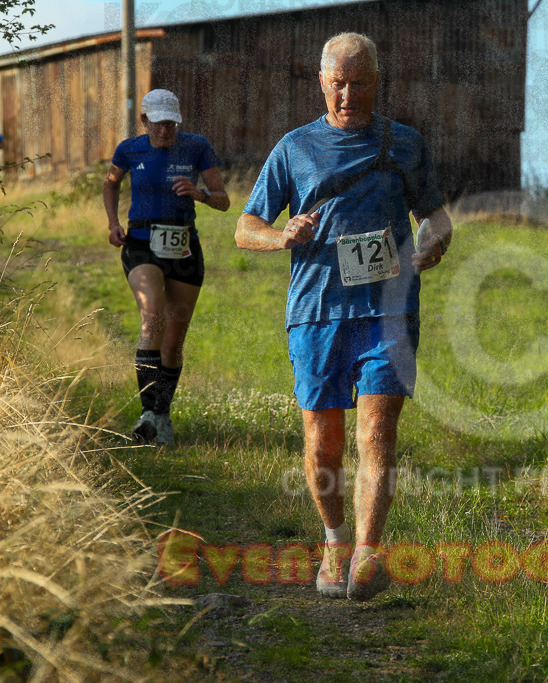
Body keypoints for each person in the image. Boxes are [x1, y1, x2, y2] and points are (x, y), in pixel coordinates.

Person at [235, 32, 452, 601]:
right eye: (339, 83)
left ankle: (366, 553)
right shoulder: (295, 148)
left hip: (389, 309)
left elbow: (437, 217)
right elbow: (244, 227)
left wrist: (433, 242)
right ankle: (335, 542)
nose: (348, 95)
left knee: (377, 431)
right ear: (322, 82)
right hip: (316, 312)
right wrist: (280, 236)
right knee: (322, 444)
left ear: (376, 84)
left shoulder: (405, 144)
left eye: (359, 84)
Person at [103, 89, 230, 445]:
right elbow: (110, 183)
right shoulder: (129, 149)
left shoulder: (196, 146)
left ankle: (161, 415)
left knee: (173, 343)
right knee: (152, 316)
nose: (165, 131)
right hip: (141, 244)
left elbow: (224, 200)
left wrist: (200, 194)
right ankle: (146, 412)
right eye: (158, 124)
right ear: (144, 121)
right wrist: (113, 222)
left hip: (185, 248)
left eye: (171, 124)